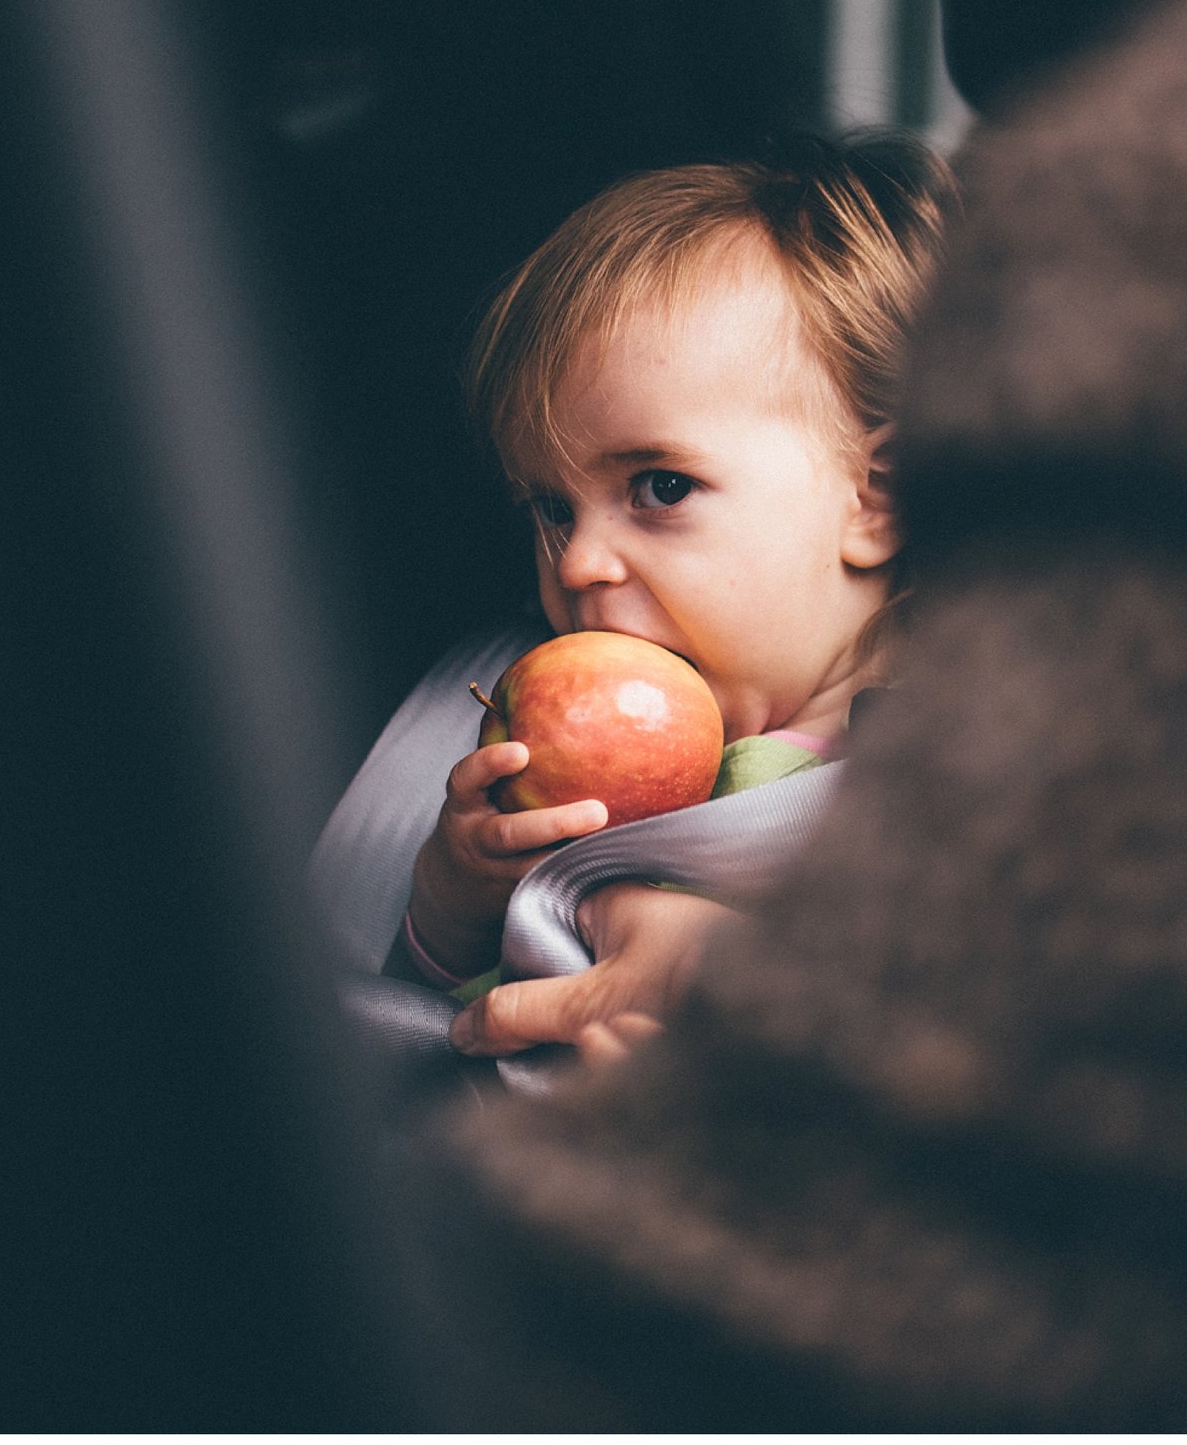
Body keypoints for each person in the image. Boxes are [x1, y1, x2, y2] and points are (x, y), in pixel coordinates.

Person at [384, 133, 952, 1063]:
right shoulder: (533, 756)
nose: (577, 566)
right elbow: (419, 1028)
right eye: (553, 509)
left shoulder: (937, 790)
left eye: (660, 486)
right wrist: (452, 909)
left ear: (875, 499)